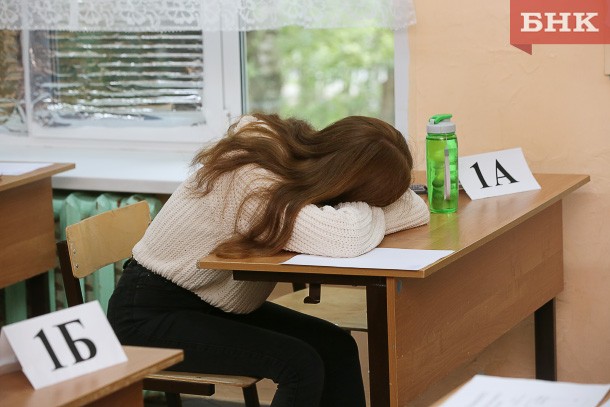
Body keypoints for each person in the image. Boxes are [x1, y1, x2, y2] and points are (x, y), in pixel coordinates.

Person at [107, 113, 430, 407]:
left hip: (215, 305)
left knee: (336, 345)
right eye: (359, 198)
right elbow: (343, 238)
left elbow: (414, 207)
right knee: (300, 365)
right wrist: (365, 211)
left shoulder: (297, 168)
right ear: (344, 181)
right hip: (149, 314)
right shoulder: (249, 178)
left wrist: (358, 210)